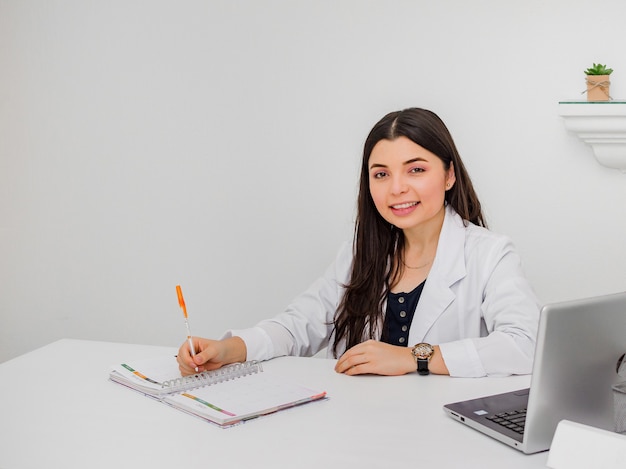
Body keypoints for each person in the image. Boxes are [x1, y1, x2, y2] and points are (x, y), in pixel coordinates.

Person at [177, 107, 540, 378]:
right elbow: (301, 324)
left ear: (448, 175)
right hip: (359, 425)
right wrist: (229, 349)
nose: (397, 188)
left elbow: (526, 344)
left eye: (416, 169)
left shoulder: (490, 254)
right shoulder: (361, 251)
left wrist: (415, 357)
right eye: (381, 174)